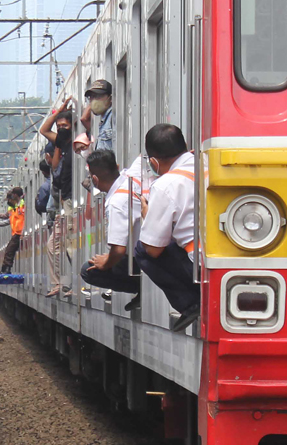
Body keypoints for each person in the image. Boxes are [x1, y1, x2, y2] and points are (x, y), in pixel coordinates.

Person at [134, 124, 201, 332]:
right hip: (231, 259)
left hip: (199, 265)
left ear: (154, 161)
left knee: (142, 249)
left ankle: (190, 303)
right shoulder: (209, 166)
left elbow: (153, 249)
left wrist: (148, 217)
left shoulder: (166, 184)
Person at [80, 150, 142, 311]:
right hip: (155, 252)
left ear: (95, 179)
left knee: (88, 270)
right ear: (117, 167)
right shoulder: (132, 176)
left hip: (141, 261)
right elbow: (143, 156)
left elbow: (119, 250)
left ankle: (141, 288)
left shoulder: (116, 203)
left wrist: (106, 262)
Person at [40, 98, 75, 298]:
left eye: (65, 125)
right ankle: (59, 284)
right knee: (54, 245)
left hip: (70, 201)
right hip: (64, 203)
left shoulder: (77, 143)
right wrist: (59, 111)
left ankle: (69, 283)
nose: (61, 128)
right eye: (59, 126)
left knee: (68, 245)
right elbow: (44, 130)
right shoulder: (62, 145)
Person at [0, 187, 26, 274]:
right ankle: (5, 269)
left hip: (19, 232)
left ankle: (5, 270)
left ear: (14, 196)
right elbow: (7, 218)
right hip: (16, 232)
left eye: (9, 199)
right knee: (9, 251)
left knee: (9, 251)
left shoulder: (22, 205)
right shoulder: (13, 207)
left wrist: (23, 232)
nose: (9, 202)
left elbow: (27, 218)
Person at [80, 80, 115, 152]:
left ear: (110, 98)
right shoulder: (102, 122)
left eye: (98, 96)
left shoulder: (113, 116)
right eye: (91, 97)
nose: (94, 101)